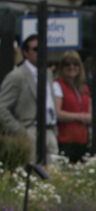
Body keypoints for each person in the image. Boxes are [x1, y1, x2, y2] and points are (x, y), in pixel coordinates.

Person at [0, 34, 58, 163]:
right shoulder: (17, 76)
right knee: (30, 173)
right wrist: (21, 132)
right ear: (26, 52)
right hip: (30, 130)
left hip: (49, 130)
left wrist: (54, 131)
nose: (41, 52)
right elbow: (2, 108)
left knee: (54, 175)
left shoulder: (47, 73)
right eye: (36, 49)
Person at [52, 50, 91, 162]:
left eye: (75, 64)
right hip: (65, 140)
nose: (71, 67)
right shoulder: (58, 85)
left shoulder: (84, 88)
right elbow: (57, 113)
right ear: (62, 67)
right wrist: (78, 117)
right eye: (67, 64)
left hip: (83, 140)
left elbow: (89, 112)